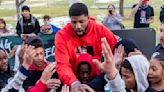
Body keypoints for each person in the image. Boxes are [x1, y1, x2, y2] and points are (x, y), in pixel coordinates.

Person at [54, 2, 117, 91]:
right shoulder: (62, 35)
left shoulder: (101, 30)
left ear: (88, 18)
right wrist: (74, 83)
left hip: (98, 79)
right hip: (74, 80)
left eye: (81, 22)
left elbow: (117, 52)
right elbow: (62, 64)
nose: (78, 26)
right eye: (74, 22)